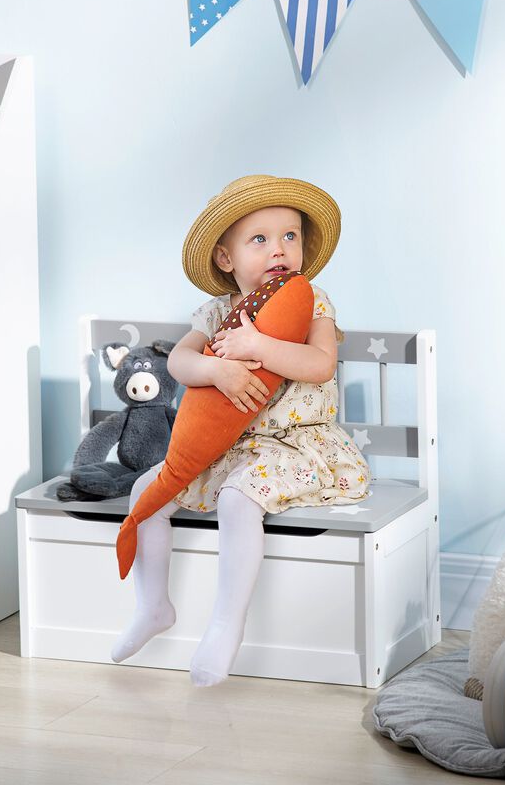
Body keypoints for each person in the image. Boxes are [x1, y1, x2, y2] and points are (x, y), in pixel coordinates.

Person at [111, 175, 371, 686]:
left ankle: (227, 625)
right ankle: (153, 605)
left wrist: (257, 347)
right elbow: (182, 362)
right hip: (227, 447)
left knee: (237, 498)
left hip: (298, 446)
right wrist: (215, 370)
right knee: (146, 493)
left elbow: (319, 364)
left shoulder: (312, 301)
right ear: (226, 259)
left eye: (290, 236)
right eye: (260, 239)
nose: (280, 250)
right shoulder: (216, 311)